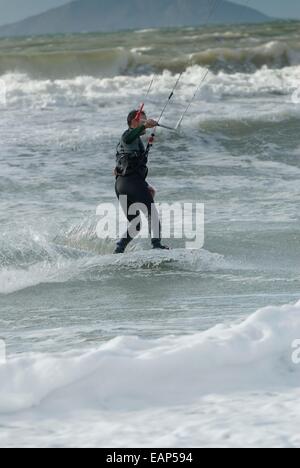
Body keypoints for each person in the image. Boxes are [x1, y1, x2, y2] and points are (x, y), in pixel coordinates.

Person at [114, 109, 169, 254]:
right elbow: (129, 137)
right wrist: (144, 126)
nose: (146, 122)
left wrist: (146, 185)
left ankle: (119, 248)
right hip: (130, 183)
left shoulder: (130, 142)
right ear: (134, 121)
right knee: (153, 214)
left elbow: (130, 165)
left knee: (136, 223)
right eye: (143, 120)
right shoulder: (127, 136)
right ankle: (157, 245)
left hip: (121, 185)